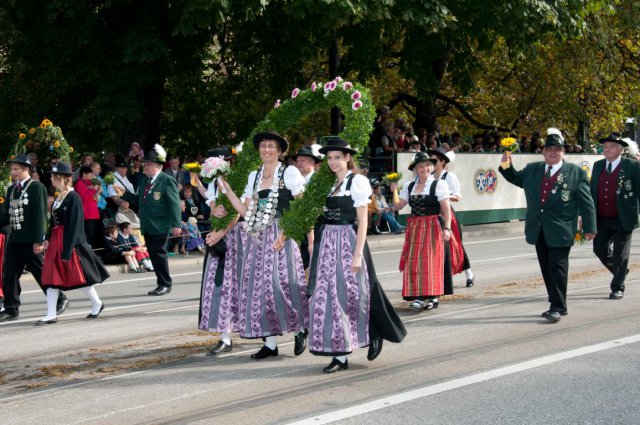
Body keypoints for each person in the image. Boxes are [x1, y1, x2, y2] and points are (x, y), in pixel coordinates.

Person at [307, 138, 406, 373]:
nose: (333, 162)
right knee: (330, 295)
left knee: (356, 292)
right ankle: (339, 354)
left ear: (347, 158)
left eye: (337, 157)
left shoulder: (357, 182)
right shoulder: (329, 184)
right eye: (329, 158)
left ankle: (374, 332)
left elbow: (362, 222)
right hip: (328, 242)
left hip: (349, 241)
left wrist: (357, 254)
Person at [219, 130, 309, 359]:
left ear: (279, 151)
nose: (267, 149)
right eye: (263, 146)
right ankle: (270, 343)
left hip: (282, 233)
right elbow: (246, 212)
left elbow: (301, 207)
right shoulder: (254, 176)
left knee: (282, 284)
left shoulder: (289, 172)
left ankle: (300, 329)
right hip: (258, 235)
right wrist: (229, 192)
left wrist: (288, 232)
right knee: (259, 289)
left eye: (271, 146)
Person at [499, 131, 596, 322]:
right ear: (543, 152)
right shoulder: (533, 169)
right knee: (546, 267)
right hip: (538, 227)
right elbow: (515, 178)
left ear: (563, 152)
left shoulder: (575, 172)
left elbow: (587, 202)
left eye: (557, 149)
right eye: (549, 149)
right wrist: (506, 163)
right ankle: (558, 303)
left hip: (562, 228)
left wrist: (590, 226)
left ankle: (557, 307)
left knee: (557, 267)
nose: (553, 152)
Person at [38, 161, 110, 324]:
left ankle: (97, 303)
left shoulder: (73, 197)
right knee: (51, 275)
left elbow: (75, 224)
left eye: (54, 177)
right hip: (57, 240)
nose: (51, 180)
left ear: (62, 179)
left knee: (81, 275)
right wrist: (47, 239)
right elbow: (53, 223)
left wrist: (68, 247)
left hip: (69, 241)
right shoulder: (59, 198)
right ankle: (51, 313)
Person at [0, 155, 69, 321]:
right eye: (12, 169)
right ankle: (11, 308)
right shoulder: (11, 189)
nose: (13, 172)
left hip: (31, 240)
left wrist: (39, 240)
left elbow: (39, 215)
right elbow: (6, 215)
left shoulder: (36, 187)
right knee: (9, 274)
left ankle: (60, 298)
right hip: (15, 238)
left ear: (26, 169)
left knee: (41, 273)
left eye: (16, 169)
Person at [198, 146, 246, 355]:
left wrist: (220, 232)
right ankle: (224, 335)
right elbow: (214, 206)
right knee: (219, 284)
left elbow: (238, 212)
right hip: (220, 232)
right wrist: (215, 208)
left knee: (243, 283)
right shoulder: (216, 183)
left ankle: (257, 329)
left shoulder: (241, 179)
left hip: (238, 235)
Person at [391, 152, 451, 311]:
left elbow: (446, 210)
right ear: (416, 170)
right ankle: (418, 296)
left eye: (426, 165)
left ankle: (433, 296)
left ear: (431, 167)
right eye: (420, 166)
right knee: (414, 262)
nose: (424, 168)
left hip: (432, 226)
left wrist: (447, 228)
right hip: (415, 227)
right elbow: (398, 206)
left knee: (430, 262)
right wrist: (394, 190)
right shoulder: (409, 186)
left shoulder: (438, 185)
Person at [590, 133, 640, 300]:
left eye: (611, 146)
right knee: (599, 248)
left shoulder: (632, 166)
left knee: (620, 254)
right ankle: (620, 271)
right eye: (605, 147)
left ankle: (617, 286)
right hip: (602, 217)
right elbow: (592, 192)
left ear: (620, 149)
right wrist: (587, 215)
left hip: (623, 217)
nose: (606, 149)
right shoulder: (597, 166)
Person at [138, 145, 182, 296]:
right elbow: (139, 200)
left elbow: (174, 203)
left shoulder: (166, 180)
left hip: (161, 224)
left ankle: (165, 283)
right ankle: (160, 282)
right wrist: (121, 196)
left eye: (148, 164)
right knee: (154, 254)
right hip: (148, 225)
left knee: (159, 253)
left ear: (157, 166)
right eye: (145, 164)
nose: (145, 167)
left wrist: (177, 223)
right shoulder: (145, 181)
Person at [429, 146, 475, 287]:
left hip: (446, 213)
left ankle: (469, 273)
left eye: (434, 161)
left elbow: (458, 195)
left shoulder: (449, 176)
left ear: (442, 162)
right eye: (430, 161)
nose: (431, 164)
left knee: (455, 244)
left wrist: (444, 195)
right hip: (432, 214)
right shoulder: (429, 177)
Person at [290, 145, 323, 269]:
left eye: (302, 160)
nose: (298, 163)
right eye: (297, 161)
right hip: (298, 232)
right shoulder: (293, 182)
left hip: (316, 230)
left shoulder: (319, 181)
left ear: (312, 162)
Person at [74, 165, 102, 248]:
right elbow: (83, 197)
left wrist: (97, 189)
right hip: (87, 214)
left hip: (94, 212)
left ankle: (94, 253)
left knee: (94, 235)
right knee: (88, 235)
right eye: (90, 174)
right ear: (84, 174)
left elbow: (96, 196)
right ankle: (88, 254)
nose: (91, 176)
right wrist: (93, 189)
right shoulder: (79, 183)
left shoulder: (91, 183)